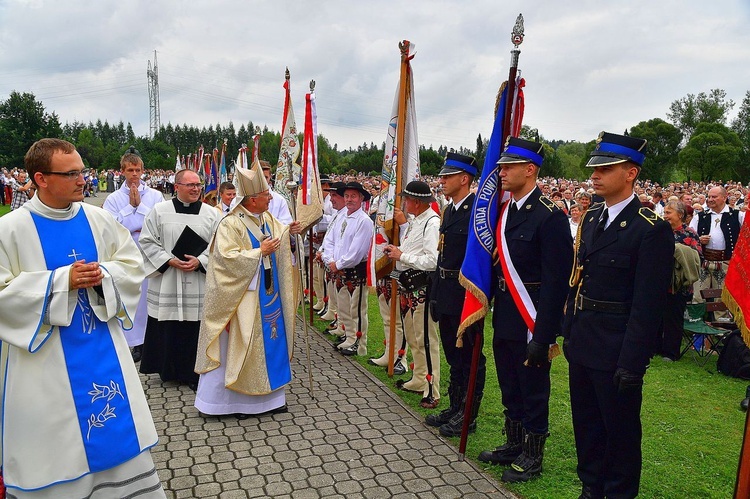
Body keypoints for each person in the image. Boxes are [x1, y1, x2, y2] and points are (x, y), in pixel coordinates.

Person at [0, 138, 165, 497]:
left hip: (103, 347)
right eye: (72, 173)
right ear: (41, 178)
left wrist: (103, 275)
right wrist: (61, 281)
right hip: (44, 361)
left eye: (83, 171)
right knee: (56, 446)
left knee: (118, 437)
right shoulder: (10, 229)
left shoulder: (98, 218)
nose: (83, 180)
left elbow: (131, 265)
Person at [563, 132, 673, 498]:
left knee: (621, 434)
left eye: (605, 168)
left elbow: (648, 304)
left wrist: (632, 363)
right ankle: (591, 488)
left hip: (616, 349)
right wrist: (569, 332)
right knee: (587, 427)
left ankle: (618, 493)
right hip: (584, 342)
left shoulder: (650, 229)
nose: (595, 175)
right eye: (594, 168)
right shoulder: (593, 217)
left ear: (630, 173)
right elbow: (579, 280)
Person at [477, 138, 572, 483]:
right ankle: (513, 443)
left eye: (509, 166)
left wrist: (544, 334)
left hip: (532, 315)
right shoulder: (506, 212)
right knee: (509, 381)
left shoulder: (550, 217)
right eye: (501, 166)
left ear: (530, 169)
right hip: (505, 311)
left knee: (533, 385)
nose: (501, 172)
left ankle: (533, 455)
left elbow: (556, 282)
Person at [195, 159, 301, 418]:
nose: (270, 198)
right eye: (265, 195)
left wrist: (292, 231)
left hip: (268, 296)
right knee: (241, 346)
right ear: (251, 199)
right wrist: (258, 253)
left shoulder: (267, 217)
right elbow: (224, 260)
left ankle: (270, 401)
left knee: (271, 341)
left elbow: (280, 237)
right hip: (242, 299)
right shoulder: (230, 224)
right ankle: (230, 404)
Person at [138, 169, 222, 390]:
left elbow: (220, 245)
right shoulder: (159, 211)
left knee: (196, 326)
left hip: (198, 280)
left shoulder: (213, 214)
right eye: (190, 185)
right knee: (169, 324)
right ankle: (169, 371)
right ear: (177, 187)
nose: (196, 189)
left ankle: (195, 372)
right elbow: (147, 241)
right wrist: (168, 260)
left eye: (198, 185)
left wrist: (201, 261)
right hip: (169, 279)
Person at [425, 153, 487, 436]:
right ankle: (455, 406)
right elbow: (442, 255)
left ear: (464, 179)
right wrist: (434, 295)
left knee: (470, 355)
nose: (442, 181)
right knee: (453, 354)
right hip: (446, 291)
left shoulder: (477, 211)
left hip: (466, 295)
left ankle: (468, 416)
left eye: (447, 176)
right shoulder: (449, 210)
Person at [103, 146, 165, 363]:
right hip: (127, 252)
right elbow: (111, 227)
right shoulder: (113, 199)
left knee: (152, 296)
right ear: (122, 172)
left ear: (143, 170)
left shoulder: (156, 195)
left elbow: (160, 222)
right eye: (130, 170)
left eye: (138, 170)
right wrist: (131, 208)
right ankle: (135, 342)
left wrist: (140, 209)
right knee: (133, 299)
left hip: (150, 251)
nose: (134, 175)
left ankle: (154, 340)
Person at [384, 180, 442, 409]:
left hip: (423, 288)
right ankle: (419, 378)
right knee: (415, 337)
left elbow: (432, 260)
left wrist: (402, 256)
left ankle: (432, 388)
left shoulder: (432, 223)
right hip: (410, 287)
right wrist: (400, 253)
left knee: (427, 340)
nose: (404, 203)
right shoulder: (417, 222)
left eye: (407, 199)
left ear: (416, 202)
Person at [324, 182, 375, 356]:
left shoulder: (364, 221)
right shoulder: (342, 217)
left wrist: (337, 264)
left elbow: (357, 251)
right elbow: (330, 240)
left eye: (353, 196)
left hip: (354, 270)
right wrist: (330, 259)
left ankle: (359, 344)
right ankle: (349, 336)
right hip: (339, 269)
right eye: (346, 196)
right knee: (344, 307)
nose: (349, 199)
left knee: (357, 309)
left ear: (361, 198)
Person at [659, 200, 702, 361]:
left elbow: (698, 258)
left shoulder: (690, 234)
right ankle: (656, 347)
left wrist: (678, 251)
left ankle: (671, 353)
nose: (665, 216)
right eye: (665, 212)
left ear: (680, 215)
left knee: (673, 319)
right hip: (660, 282)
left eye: (669, 213)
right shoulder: (661, 231)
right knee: (656, 317)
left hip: (679, 286)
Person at [689, 185, 746, 303]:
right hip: (703, 263)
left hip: (726, 263)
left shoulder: (737, 216)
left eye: (714, 197)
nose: (710, 199)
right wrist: (699, 240)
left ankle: (721, 320)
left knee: (722, 299)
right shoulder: (700, 217)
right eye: (709, 197)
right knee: (698, 297)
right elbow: (690, 238)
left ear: (725, 197)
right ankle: (697, 319)